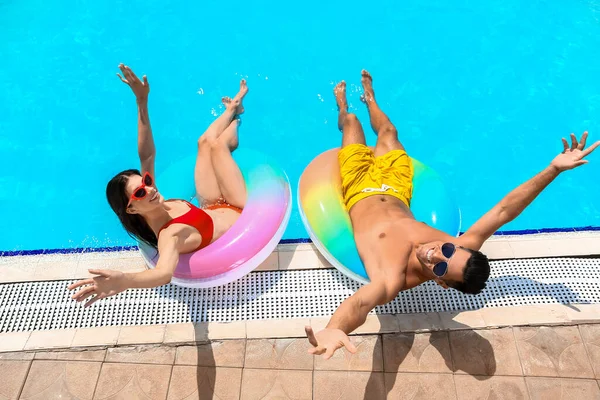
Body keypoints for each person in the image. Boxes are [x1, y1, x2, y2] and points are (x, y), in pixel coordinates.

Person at [305, 70, 600, 359]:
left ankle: (342, 108)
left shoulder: (391, 278)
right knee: (389, 131)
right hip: (396, 188)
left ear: (442, 283)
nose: (436, 253)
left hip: (359, 187)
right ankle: (370, 99)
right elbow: (504, 210)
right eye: (448, 249)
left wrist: (335, 328)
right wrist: (553, 170)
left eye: (442, 267)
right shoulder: (462, 245)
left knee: (352, 123)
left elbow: (359, 305)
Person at [68, 64, 248, 307]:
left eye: (147, 182)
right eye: (141, 192)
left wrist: (142, 101)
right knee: (218, 147)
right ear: (131, 208)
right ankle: (235, 119)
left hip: (213, 205)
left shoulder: (152, 200)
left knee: (204, 142)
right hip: (238, 208)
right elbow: (163, 273)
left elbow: (146, 156)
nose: (150, 188)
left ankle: (234, 111)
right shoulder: (169, 235)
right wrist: (124, 280)